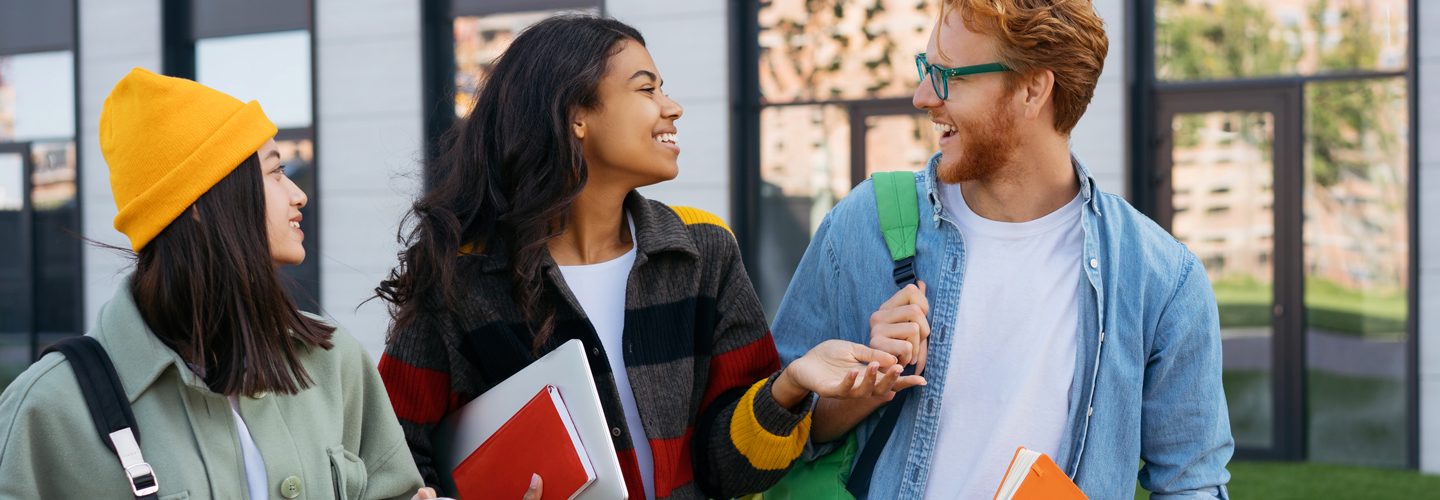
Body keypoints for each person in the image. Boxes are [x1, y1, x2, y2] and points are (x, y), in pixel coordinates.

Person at [375, 15, 920, 500]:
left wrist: (789, 386)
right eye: (647, 88)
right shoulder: (461, 274)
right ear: (575, 117)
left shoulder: (704, 249)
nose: (672, 107)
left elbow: (730, 473)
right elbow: (390, 455)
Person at [772, 1, 1234, 498]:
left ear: (1033, 89)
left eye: (949, 75)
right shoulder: (864, 224)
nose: (922, 95)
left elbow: (1192, 483)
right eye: (927, 68)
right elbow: (768, 434)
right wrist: (864, 390)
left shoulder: (1161, 277)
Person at [0, 68, 431, 499]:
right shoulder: (48, 408)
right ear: (199, 203)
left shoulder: (334, 363)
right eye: (276, 173)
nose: (298, 194)